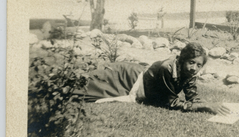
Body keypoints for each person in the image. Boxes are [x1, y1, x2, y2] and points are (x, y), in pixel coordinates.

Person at [78, 42, 230, 115]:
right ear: (183, 59)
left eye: (198, 65)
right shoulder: (167, 68)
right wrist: (206, 107)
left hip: (135, 79)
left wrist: (209, 105)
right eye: (191, 62)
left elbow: (192, 96)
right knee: (84, 87)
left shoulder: (189, 73)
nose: (194, 68)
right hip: (128, 80)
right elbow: (171, 103)